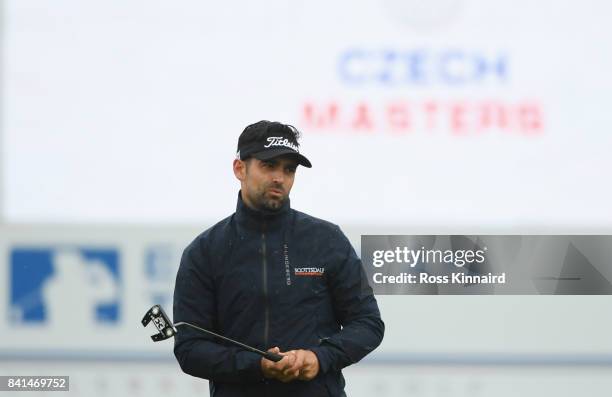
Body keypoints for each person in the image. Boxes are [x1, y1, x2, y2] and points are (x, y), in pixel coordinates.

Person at [173, 120, 384, 396]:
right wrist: (257, 365)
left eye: (289, 169)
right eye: (268, 165)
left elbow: (367, 323)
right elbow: (190, 348)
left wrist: (319, 358)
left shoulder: (326, 239)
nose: (279, 178)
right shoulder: (204, 251)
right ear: (240, 169)